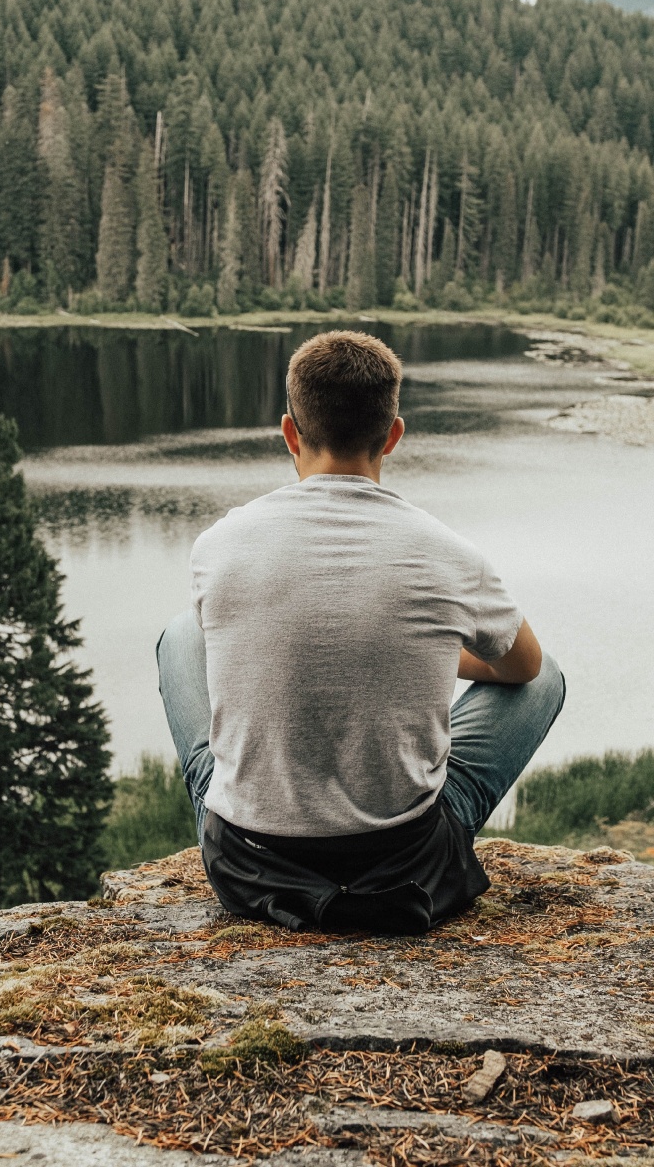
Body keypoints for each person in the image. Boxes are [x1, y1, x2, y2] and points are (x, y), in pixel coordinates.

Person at [157, 331, 564, 934]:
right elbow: (525, 670)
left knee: (180, 636)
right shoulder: (449, 554)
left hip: (248, 866)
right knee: (548, 677)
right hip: (406, 868)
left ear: (290, 433)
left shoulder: (220, 543)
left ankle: (245, 812)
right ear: (393, 435)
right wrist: (427, 651)